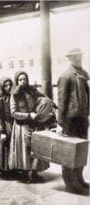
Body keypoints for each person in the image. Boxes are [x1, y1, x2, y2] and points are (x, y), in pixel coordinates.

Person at [58, 48, 89, 194]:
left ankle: (79, 178)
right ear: (69, 58)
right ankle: (70, 183)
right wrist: (60, 122)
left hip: (82, 118)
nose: (78, 58)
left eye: (79, 56)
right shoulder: (66, 76)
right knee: (69, 152)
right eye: (75, 56)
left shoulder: (83, 74)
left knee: (81, 150)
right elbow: (62, 100)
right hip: (70, 120)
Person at [8, 71, 49, 182]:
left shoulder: (33, 91)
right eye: (20, 79)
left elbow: (44, 98)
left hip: (35, 123)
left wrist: (49, 106)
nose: (23, 81)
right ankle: (25, 174)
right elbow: (13, 113)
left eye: (25, 79)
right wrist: (28, 115)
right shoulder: (14, 95)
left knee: (36, 149)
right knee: (24, 151)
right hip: (22, 126)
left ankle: (34, 172)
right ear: (17, 81)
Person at [0, 77, 14, 176]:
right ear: (2, 87)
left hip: (11, 124)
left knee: (11, 146)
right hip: (4, 125)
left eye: (10, 85)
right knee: (4, 147)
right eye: (6, 85)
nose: (8, 87)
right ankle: (5, 170)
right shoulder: (0, 99)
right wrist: (2, 130)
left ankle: (12, 167)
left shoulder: (12, 97)